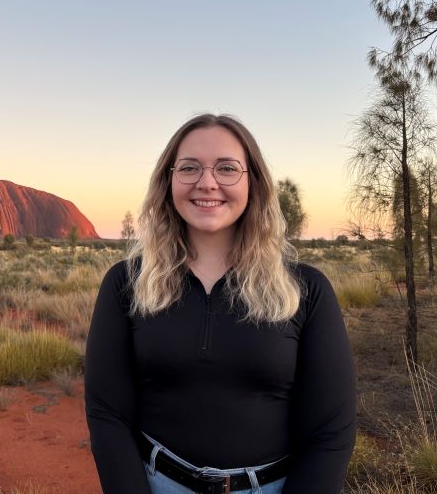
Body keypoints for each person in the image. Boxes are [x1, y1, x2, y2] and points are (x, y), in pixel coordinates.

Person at [84, 113, 356, 494]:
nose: (207, 182)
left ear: (252, 181)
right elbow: (107, 414)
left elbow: (331, 432)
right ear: (168, 181)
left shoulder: (305, 290)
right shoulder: (126, 284)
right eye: (189, 167)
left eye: (227, 168)